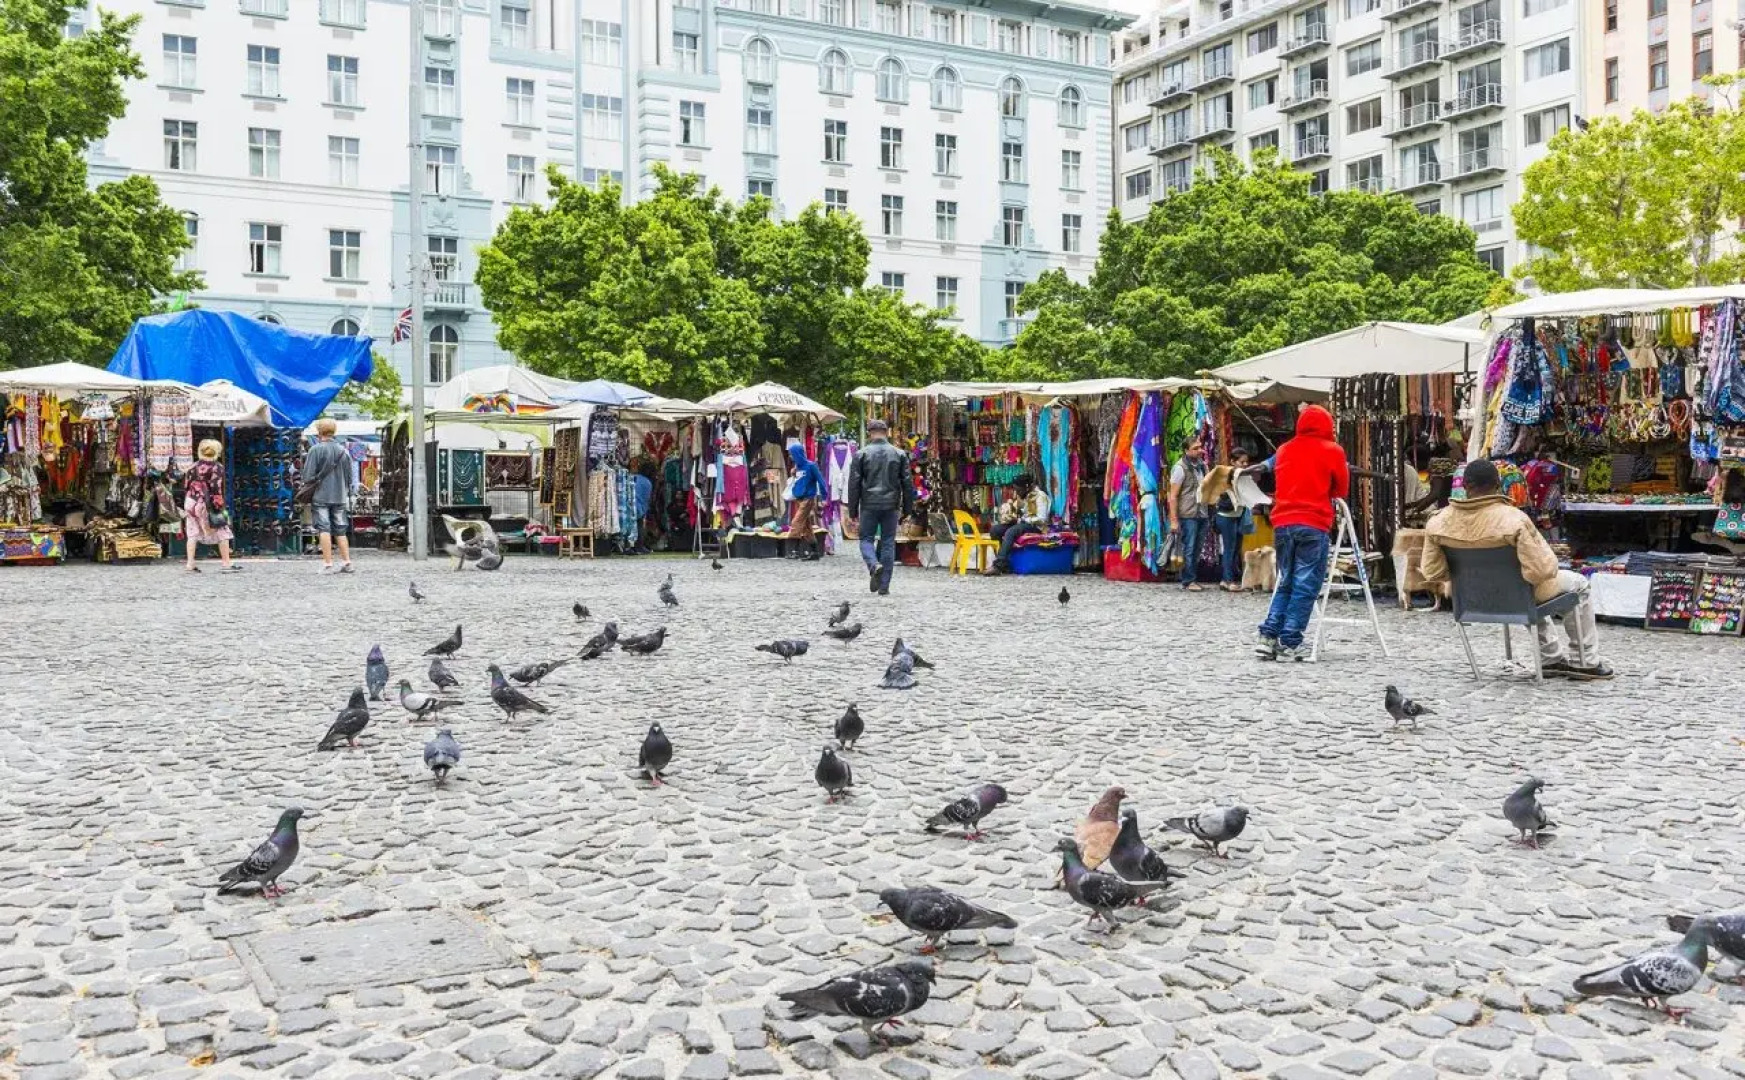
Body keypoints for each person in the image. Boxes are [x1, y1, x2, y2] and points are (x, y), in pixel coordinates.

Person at [1419, 459, 1612, 680]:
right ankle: (1584, 661)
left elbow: (1432, 572)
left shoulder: (1438, 522)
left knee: (1526, 582)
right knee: (1578, 585)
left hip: (1471, 598)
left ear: (1465, 487)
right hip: (1518, 597)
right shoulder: (1514, 519)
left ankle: (1551, 658)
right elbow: (1542, 569)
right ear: (1498, 484)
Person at [1245, 405, 1349, 661]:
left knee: (1286, 580)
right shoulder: (1333, 451)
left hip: (1283, 523)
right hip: (1313, 523)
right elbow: (1341, 489)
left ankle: (1268, 636)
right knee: (1306, 584)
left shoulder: (1284, 450)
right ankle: (1291, 640)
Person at [847, 419, 913, 595]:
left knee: (866, 539)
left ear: (870, 433)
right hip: (891, 505)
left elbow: (853, 484)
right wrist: (908, 509)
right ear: (887, 432)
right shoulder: (899, 454)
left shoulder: (861, 454)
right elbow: (907, 484)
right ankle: (884, 586)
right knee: (888, 542)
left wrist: (852, 510)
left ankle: (873, 564)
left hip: (869, 503)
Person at [303, 418, 356, 574]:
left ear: (319, 432)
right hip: (340, 496)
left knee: (324, 529)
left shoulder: (315, 450)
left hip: (321, 496)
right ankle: (347, 562)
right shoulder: (344, 451)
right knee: (341, 530)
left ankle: (328, 564)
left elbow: (308, 476)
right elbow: (349, 477)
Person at [183, 439, 238, 573]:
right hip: (206, 503)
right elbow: (215, 488)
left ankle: (190, 564)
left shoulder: (192, 466)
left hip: (190, 501)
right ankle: (226, 563)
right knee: (222, 529)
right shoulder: (217, 467)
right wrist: (219, 506)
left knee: (192, 533)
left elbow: (186, 485)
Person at [1169, 437, 1211, 591]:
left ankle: (1192, 578)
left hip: (1202, 512)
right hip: (1188, 513)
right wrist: (1174, 520)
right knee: (1189, 547)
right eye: (1195, 448)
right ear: (1186, 450)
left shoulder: (1203, 467)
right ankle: (1188, 580)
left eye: (1200, 447)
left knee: (1197, 548)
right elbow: (1173, 496)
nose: (1199, 450)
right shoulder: (1180, 468)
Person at [987, 474, 1049, 575]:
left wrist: (1024, 519)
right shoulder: (1025, 496)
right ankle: (1005, 563)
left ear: (1027, 487)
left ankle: (999, 565)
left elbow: (1042, 519)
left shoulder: (1040, 496)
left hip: (1036, 527)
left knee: (1011, 531)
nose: (1017, 492)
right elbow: (1023, 512)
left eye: (1019, 490)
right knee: (995, 530)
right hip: (1024, 523)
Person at [1211, 449, 1254, 592]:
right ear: (1233, 462)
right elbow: (1219, 496)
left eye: (1246, 462)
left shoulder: (1244, 477)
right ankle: (1227, 580)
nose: (1245, 465)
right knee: (1229, 548)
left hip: (1238, 515)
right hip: (1226, 516)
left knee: (1236, 548)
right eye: (1242, 462)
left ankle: (1231, 578)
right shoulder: (1225, 477)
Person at [786, 433, 825, 560]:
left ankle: (794, 551)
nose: (791, 457)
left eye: (792, 454)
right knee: (806, 527)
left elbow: (821, 481)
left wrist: (824, 497)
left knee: (796, 522)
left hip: (808, 499)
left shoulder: (811, 466)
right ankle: (815, 552)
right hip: (799, 499)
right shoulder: (797, 467)